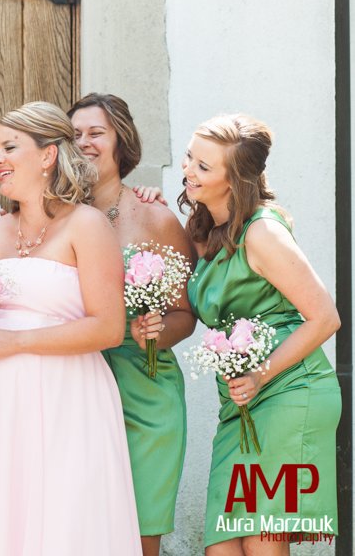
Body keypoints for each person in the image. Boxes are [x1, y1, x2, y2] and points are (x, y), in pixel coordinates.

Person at [0, 101, 141, 555]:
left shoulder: (86, 226)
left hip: (65, 398)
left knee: (61, 519)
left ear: (47, 156)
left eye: (10, 147)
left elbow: (108, 328)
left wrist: (12, 342)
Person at [180, 114, 340, 554]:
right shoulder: (206, 231)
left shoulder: (263, 232)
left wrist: (260, 375)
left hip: (289, 389)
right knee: (222, 546)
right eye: (190, 158)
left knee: (261, 541)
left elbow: (325, 318)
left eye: (203, 167)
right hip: (240, 402)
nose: (188, 170)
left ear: (234, 181)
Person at [69, 93, 194, 555]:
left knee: (141, 531)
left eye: (96, 132)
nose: (84, 142)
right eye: (75, 134)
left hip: (146, 388)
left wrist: (157, 332)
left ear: (121, 138)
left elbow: (186, 313)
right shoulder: (53, 215)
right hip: (75, 384)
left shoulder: (156, 217)